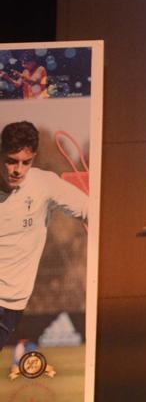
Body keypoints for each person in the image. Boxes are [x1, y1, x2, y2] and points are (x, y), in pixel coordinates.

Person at [0, 121, 88, 350]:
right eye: (11, 161)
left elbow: (90, 210)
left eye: (25, 162)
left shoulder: (43, 184)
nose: (17, 170)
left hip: (12, 305)